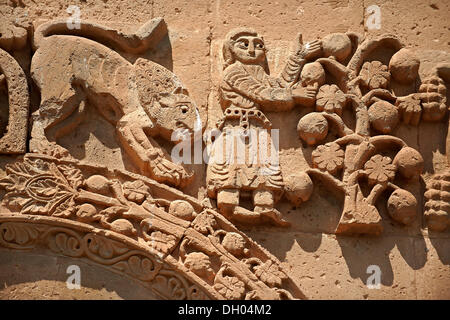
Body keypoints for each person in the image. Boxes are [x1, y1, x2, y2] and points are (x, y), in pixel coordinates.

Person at [207, 28, 321, 226]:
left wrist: (298, 57)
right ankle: (228, 205)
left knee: (264, 169)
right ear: (231, 50)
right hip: (236, 126)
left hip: (258, 126)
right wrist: (294, 95)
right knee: (232, 169)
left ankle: (264, 208)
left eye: (258, 45)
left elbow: (279, 84)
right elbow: (263, 94)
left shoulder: (258, 72)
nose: (251, 50)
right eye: (244, 44)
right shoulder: (232, 73)